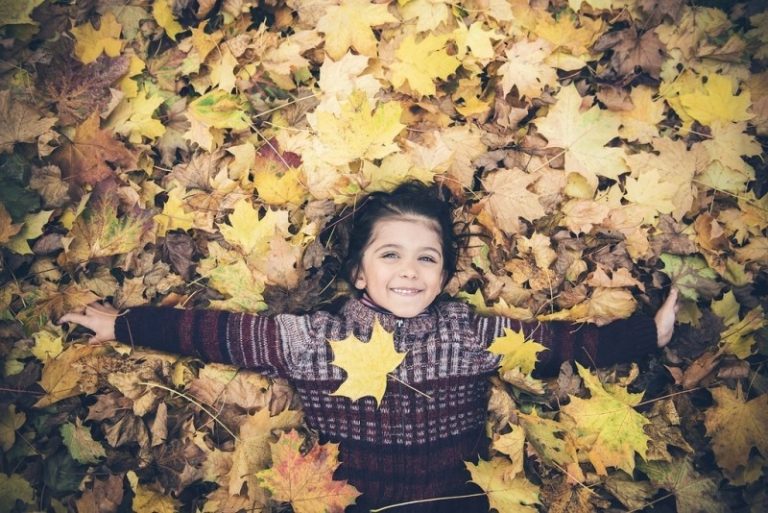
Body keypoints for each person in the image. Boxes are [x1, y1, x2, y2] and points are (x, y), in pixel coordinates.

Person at [60, 181, 678, 513]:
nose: (409, 271)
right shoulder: (313, 340)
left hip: (454, 506)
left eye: (426, 258)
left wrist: (647, 333)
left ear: (442, 275)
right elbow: (217, 334)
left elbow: (563, 342)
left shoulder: (469, 333)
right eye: (391, 254)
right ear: (359, 273)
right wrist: (126, 326)